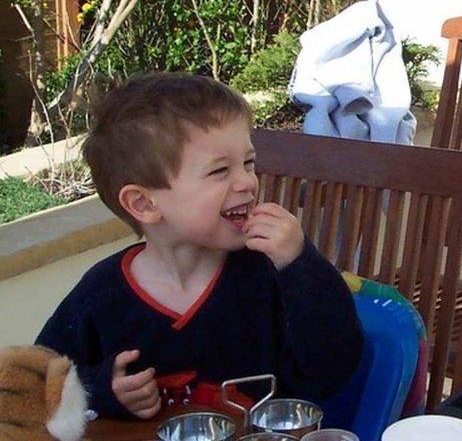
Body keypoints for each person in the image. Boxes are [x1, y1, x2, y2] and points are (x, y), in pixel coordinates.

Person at [36, 73, 364, 419]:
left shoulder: (268, 273)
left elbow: (332, 371)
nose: (248, 182)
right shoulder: (100, 297)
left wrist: (300, 263)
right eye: (220, 171)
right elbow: (36, 384)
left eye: (248, 163)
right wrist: (101, 389)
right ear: (144, 204)